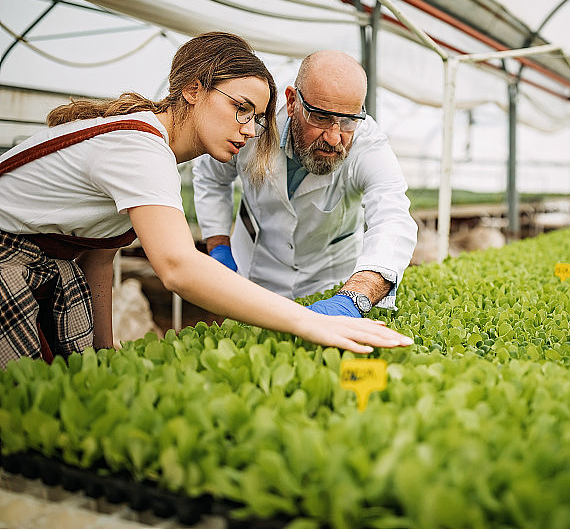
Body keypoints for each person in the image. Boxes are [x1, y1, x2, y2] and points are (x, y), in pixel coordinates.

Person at [0, 32, 412, 368]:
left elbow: (100, 253)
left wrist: (102, 350)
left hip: (329, 273)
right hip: (10, 257)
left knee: (64, 378)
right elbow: (177, 266)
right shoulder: (140, 149)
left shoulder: (366, 145)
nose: (251, 131)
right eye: (242, 110)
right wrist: (222, 250)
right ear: (193, 89)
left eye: (349, 121)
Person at [192, 50, 417, 319]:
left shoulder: (367, 144)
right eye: (320, 117)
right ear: (291, 102)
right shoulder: (254, 126)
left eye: (347, 121)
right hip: (253, 271)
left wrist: (356, 297)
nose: (334, 137)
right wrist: (218, 246)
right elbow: (211, 177)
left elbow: (392, 217)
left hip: (330, 282)